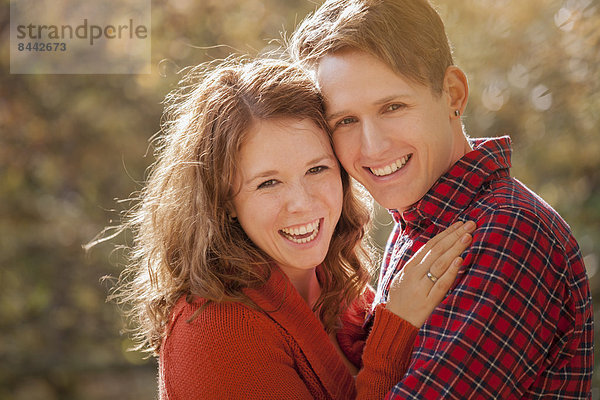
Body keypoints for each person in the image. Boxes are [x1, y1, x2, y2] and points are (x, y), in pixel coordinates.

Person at [110, 57, 475, 399]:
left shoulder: (343, 291)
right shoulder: (215, 331)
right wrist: (395, 332)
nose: (302, 203)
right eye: (268, 183)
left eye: (317, 169)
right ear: (223, 200)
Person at [289, 0, 593, 398]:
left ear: (452, 93)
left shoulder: (506, 234)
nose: (373, 146)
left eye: (392, 107)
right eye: (345, 121)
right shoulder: (424, 219)